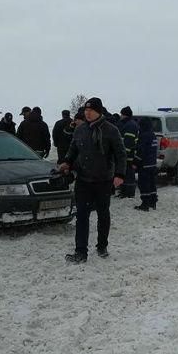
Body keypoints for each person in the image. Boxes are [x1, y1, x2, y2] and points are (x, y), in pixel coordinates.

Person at [59, 97, 126, 263]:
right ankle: (80, 252)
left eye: (91, 110)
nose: (87, 113)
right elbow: (73, 149)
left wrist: (120, 175)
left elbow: (120, 154)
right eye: (86, 110)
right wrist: (66, 162)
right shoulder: (80, 130)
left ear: (99, 112)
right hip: (83, 179)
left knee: (103, 214)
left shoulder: (111, 130)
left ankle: (102, 245)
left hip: (103, 180)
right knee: (82, 215)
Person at [134, 117, 158, 211]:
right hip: (152, 164)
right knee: (152, 183)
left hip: (144, 164)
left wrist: (135, 162)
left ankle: (145, 204)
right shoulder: (153, 135)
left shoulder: (143, 135)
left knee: (144, 184)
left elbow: (141, 151)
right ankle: (153, 201)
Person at [116, 106, 139, 198]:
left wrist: (123, 154)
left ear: (124, 115)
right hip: (127, 154)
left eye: (121, 114)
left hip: (129, 155)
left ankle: (129, 193)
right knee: (125, 174)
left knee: (129, 175)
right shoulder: (128, 124)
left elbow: (128, 142)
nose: (120, 116)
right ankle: (124, 191)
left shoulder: (130, 125)